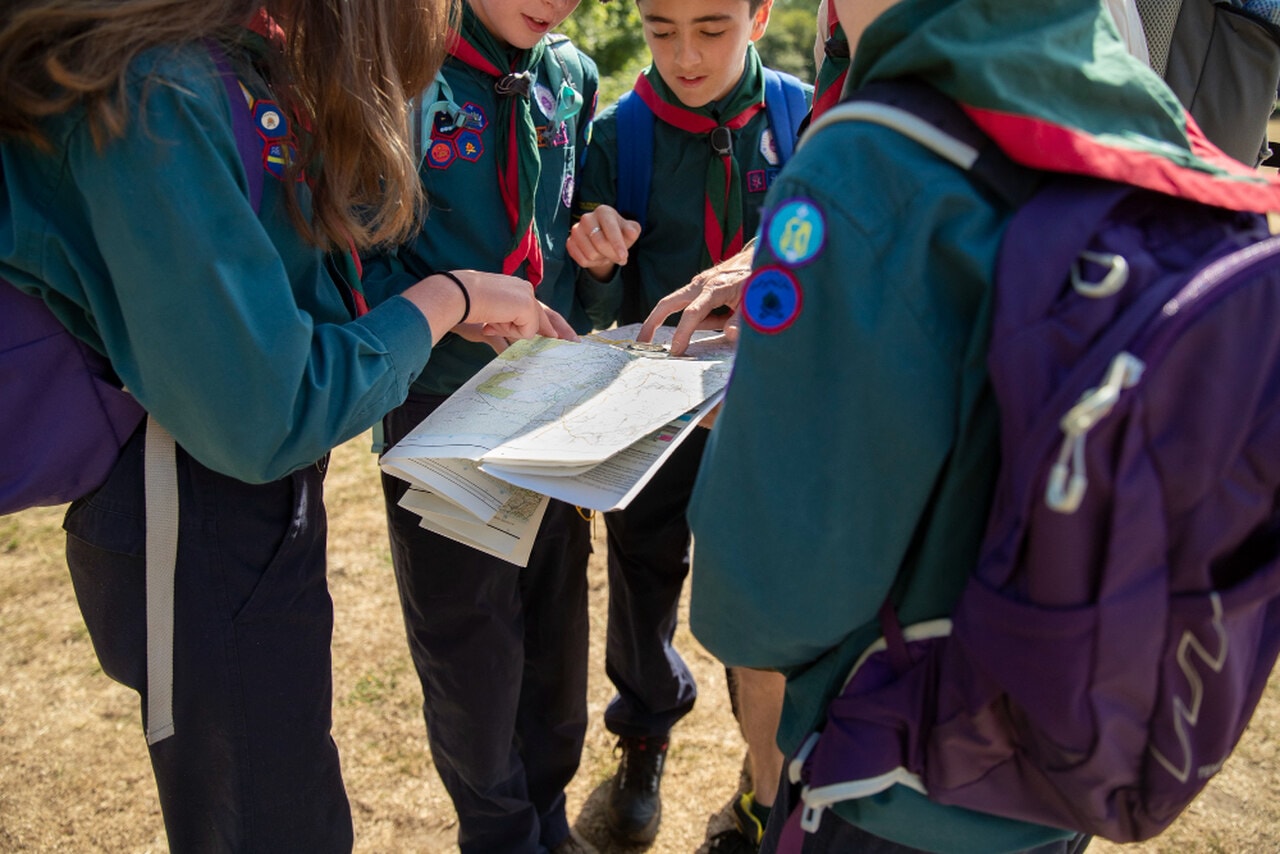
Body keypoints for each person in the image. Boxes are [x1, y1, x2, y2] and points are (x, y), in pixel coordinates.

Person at [676, 0, 1280, 851]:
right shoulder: (1150, 115)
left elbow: (759, 604)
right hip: (1057, 749)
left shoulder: (864, 162)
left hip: (894, 778)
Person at [0, 0, 573, 850]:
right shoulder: (160, 87)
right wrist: (443, 299)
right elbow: (266, 414)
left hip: (236, 498)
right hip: (192, 497)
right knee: (271, 817)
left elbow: (286, 302)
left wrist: (426, 308)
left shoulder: (216, 62)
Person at [360, 1, 601, 851]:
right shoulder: (397, 69)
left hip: (551, 404)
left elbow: (570, 230)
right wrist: (441, 308)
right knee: (474, 653)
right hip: (440, 412)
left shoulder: (569, 77)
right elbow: (355, 252)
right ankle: (499, 834)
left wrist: (597, 246)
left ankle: (550, 815)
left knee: (556, 631)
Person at [565, 0, 806, 846]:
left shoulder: (810, 123)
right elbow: (602, 301)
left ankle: (767, 763)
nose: (685, 55)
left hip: (772, 421)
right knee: (642, 574)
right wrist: (596, 261)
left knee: (768, 595)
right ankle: (642, 735)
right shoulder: (613, 140)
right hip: (658, 420)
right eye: (661, 29)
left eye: (712, 28)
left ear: (762, 14)